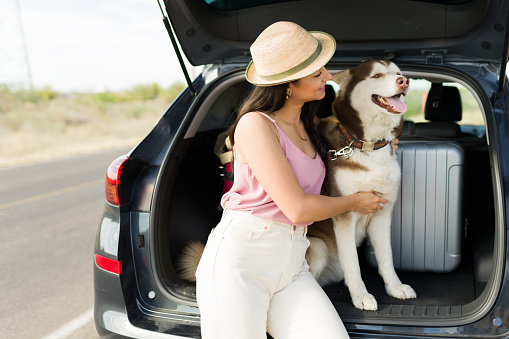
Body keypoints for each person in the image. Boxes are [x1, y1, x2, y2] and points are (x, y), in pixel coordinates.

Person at [195, 21, 388, 339]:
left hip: (292, 262)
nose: (328, 76)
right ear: (287, 84)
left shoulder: (309, 125)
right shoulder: (255, 125)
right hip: (242, 262)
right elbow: (297, 209)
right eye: (317, 73)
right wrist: (355, 201)